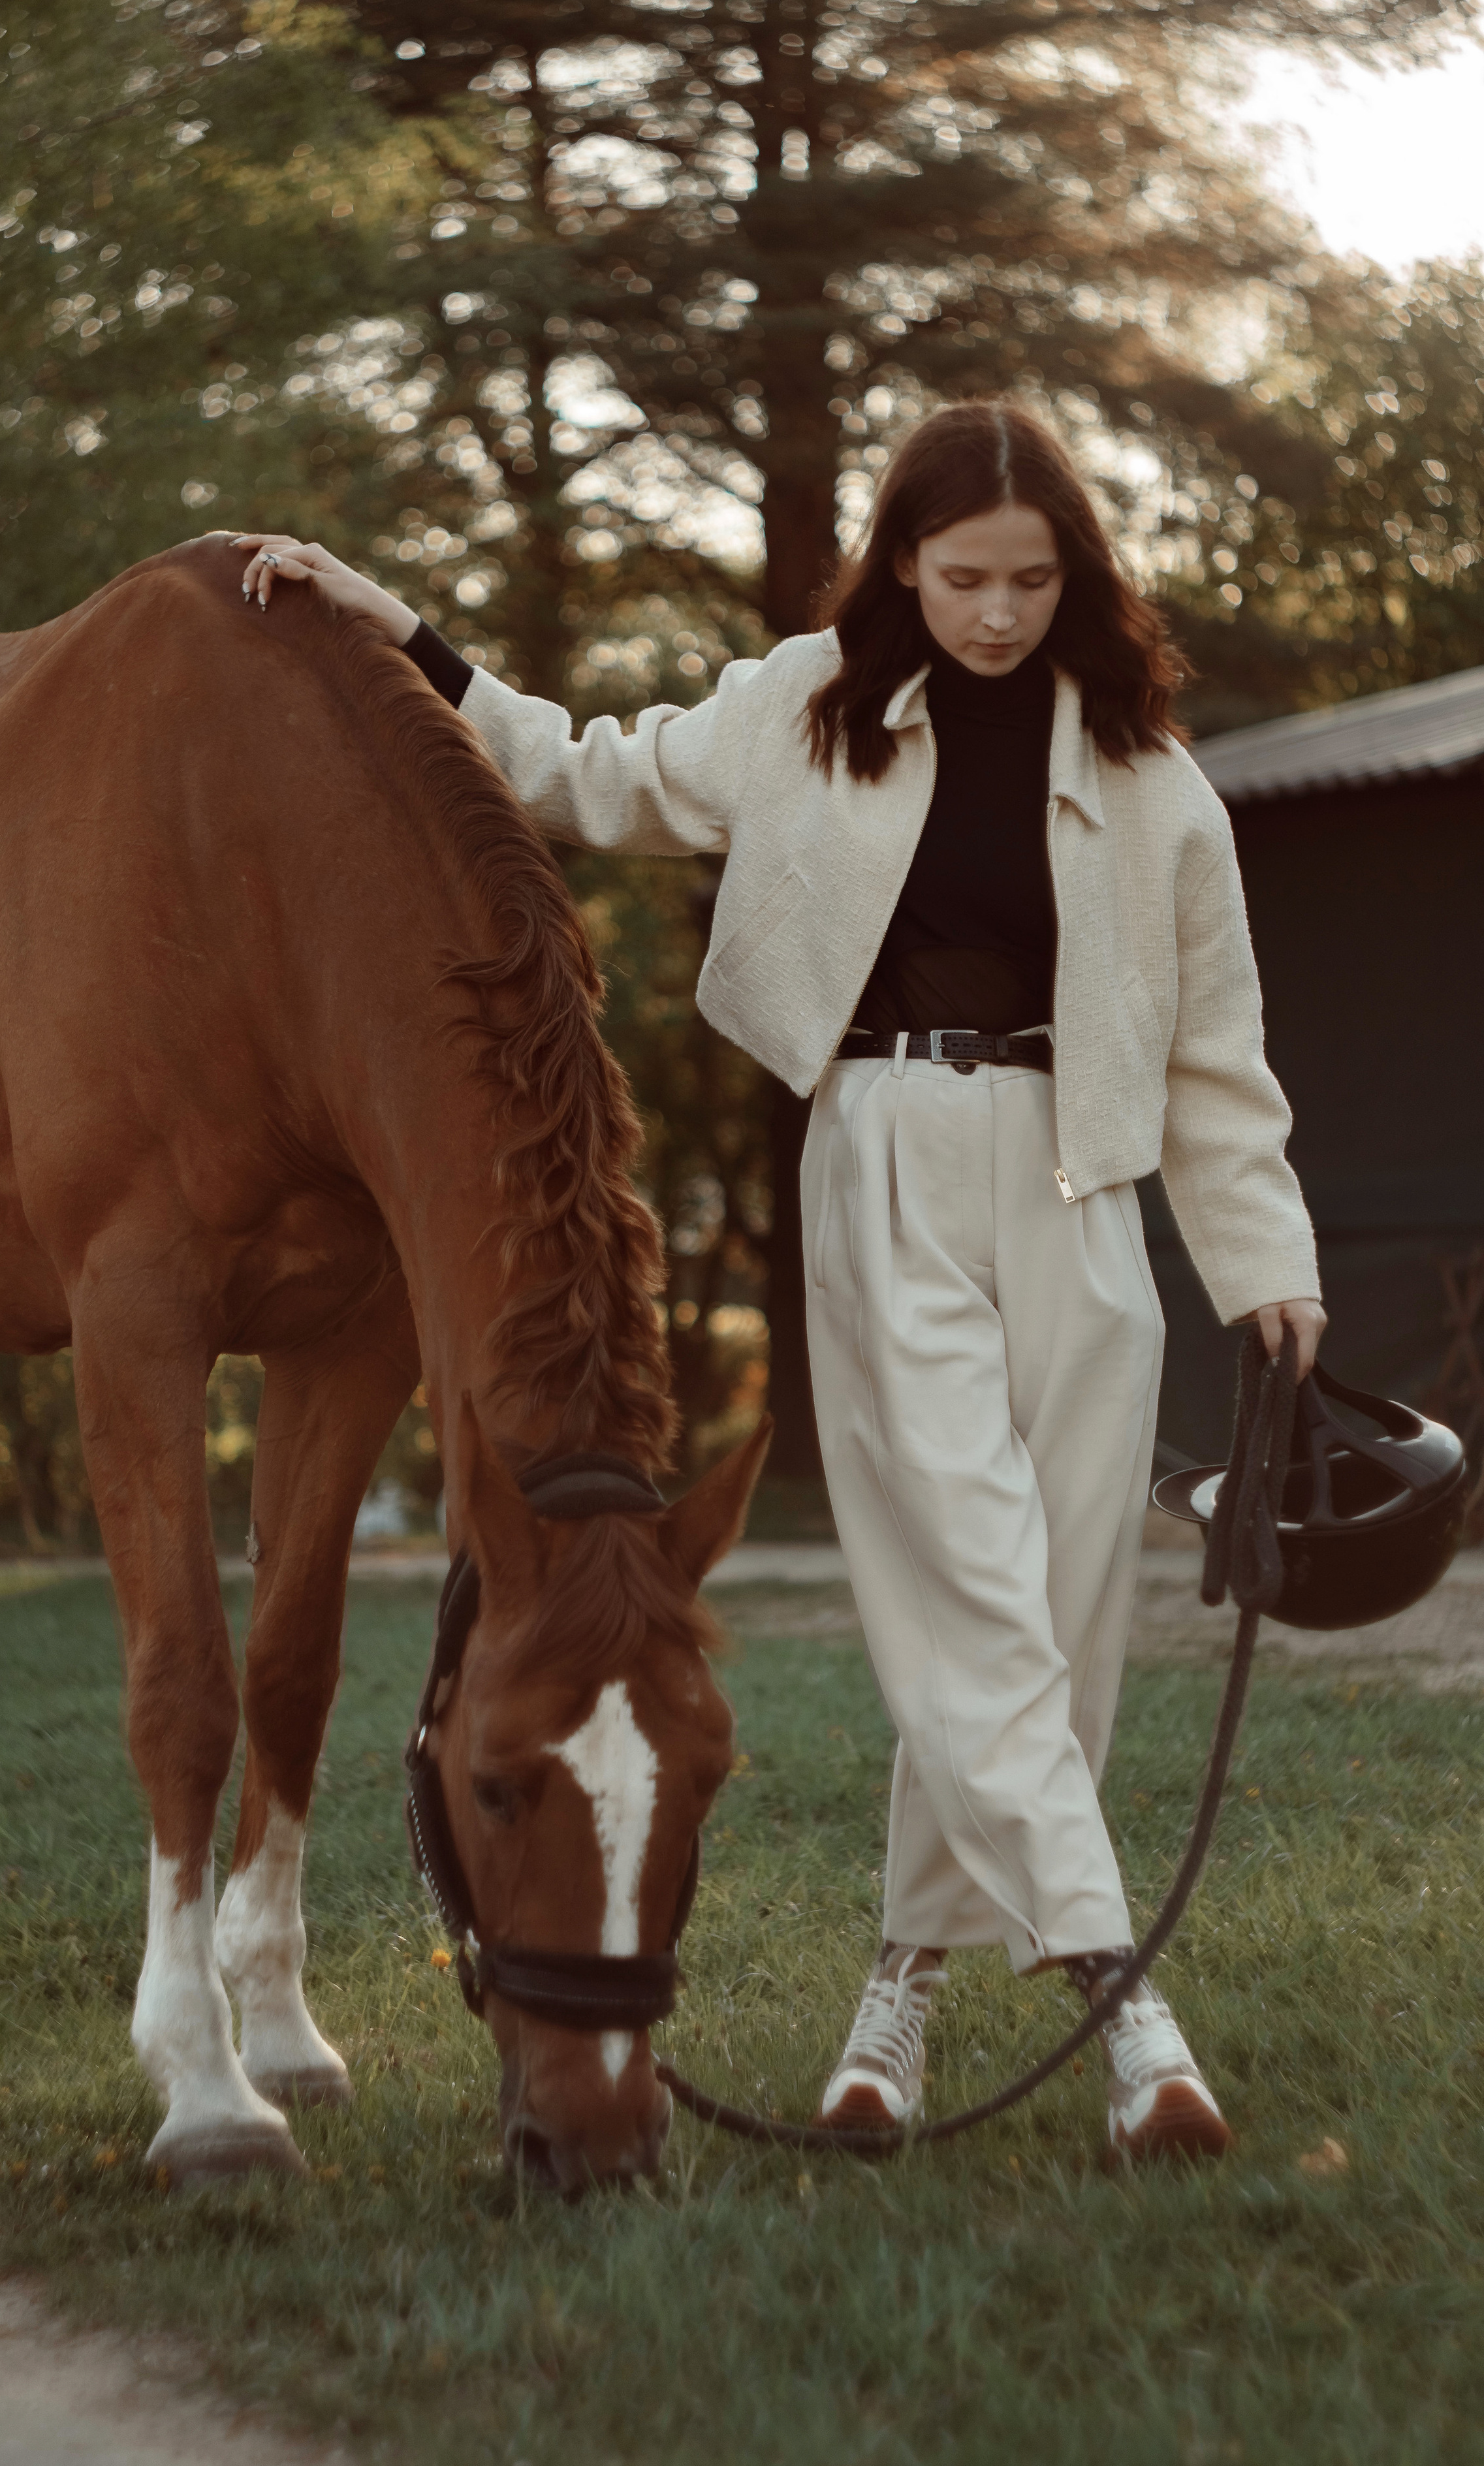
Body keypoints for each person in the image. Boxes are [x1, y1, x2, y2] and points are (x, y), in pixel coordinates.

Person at [230, 396, 1325, 2161]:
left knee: (1054, 1630)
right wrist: (395, 628)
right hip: (887, 1160)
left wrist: (1267, 1264)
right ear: (905, 561)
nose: (995, 611)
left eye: (1032, 580)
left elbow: (1216, 1053)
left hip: (1085, 1197)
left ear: (1077, 577)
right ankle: (1139, 2030)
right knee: (974, 1604)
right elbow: (580, 771)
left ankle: (895, 1994)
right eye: (964, 576)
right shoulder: (800, 714)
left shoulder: (1151, 781)